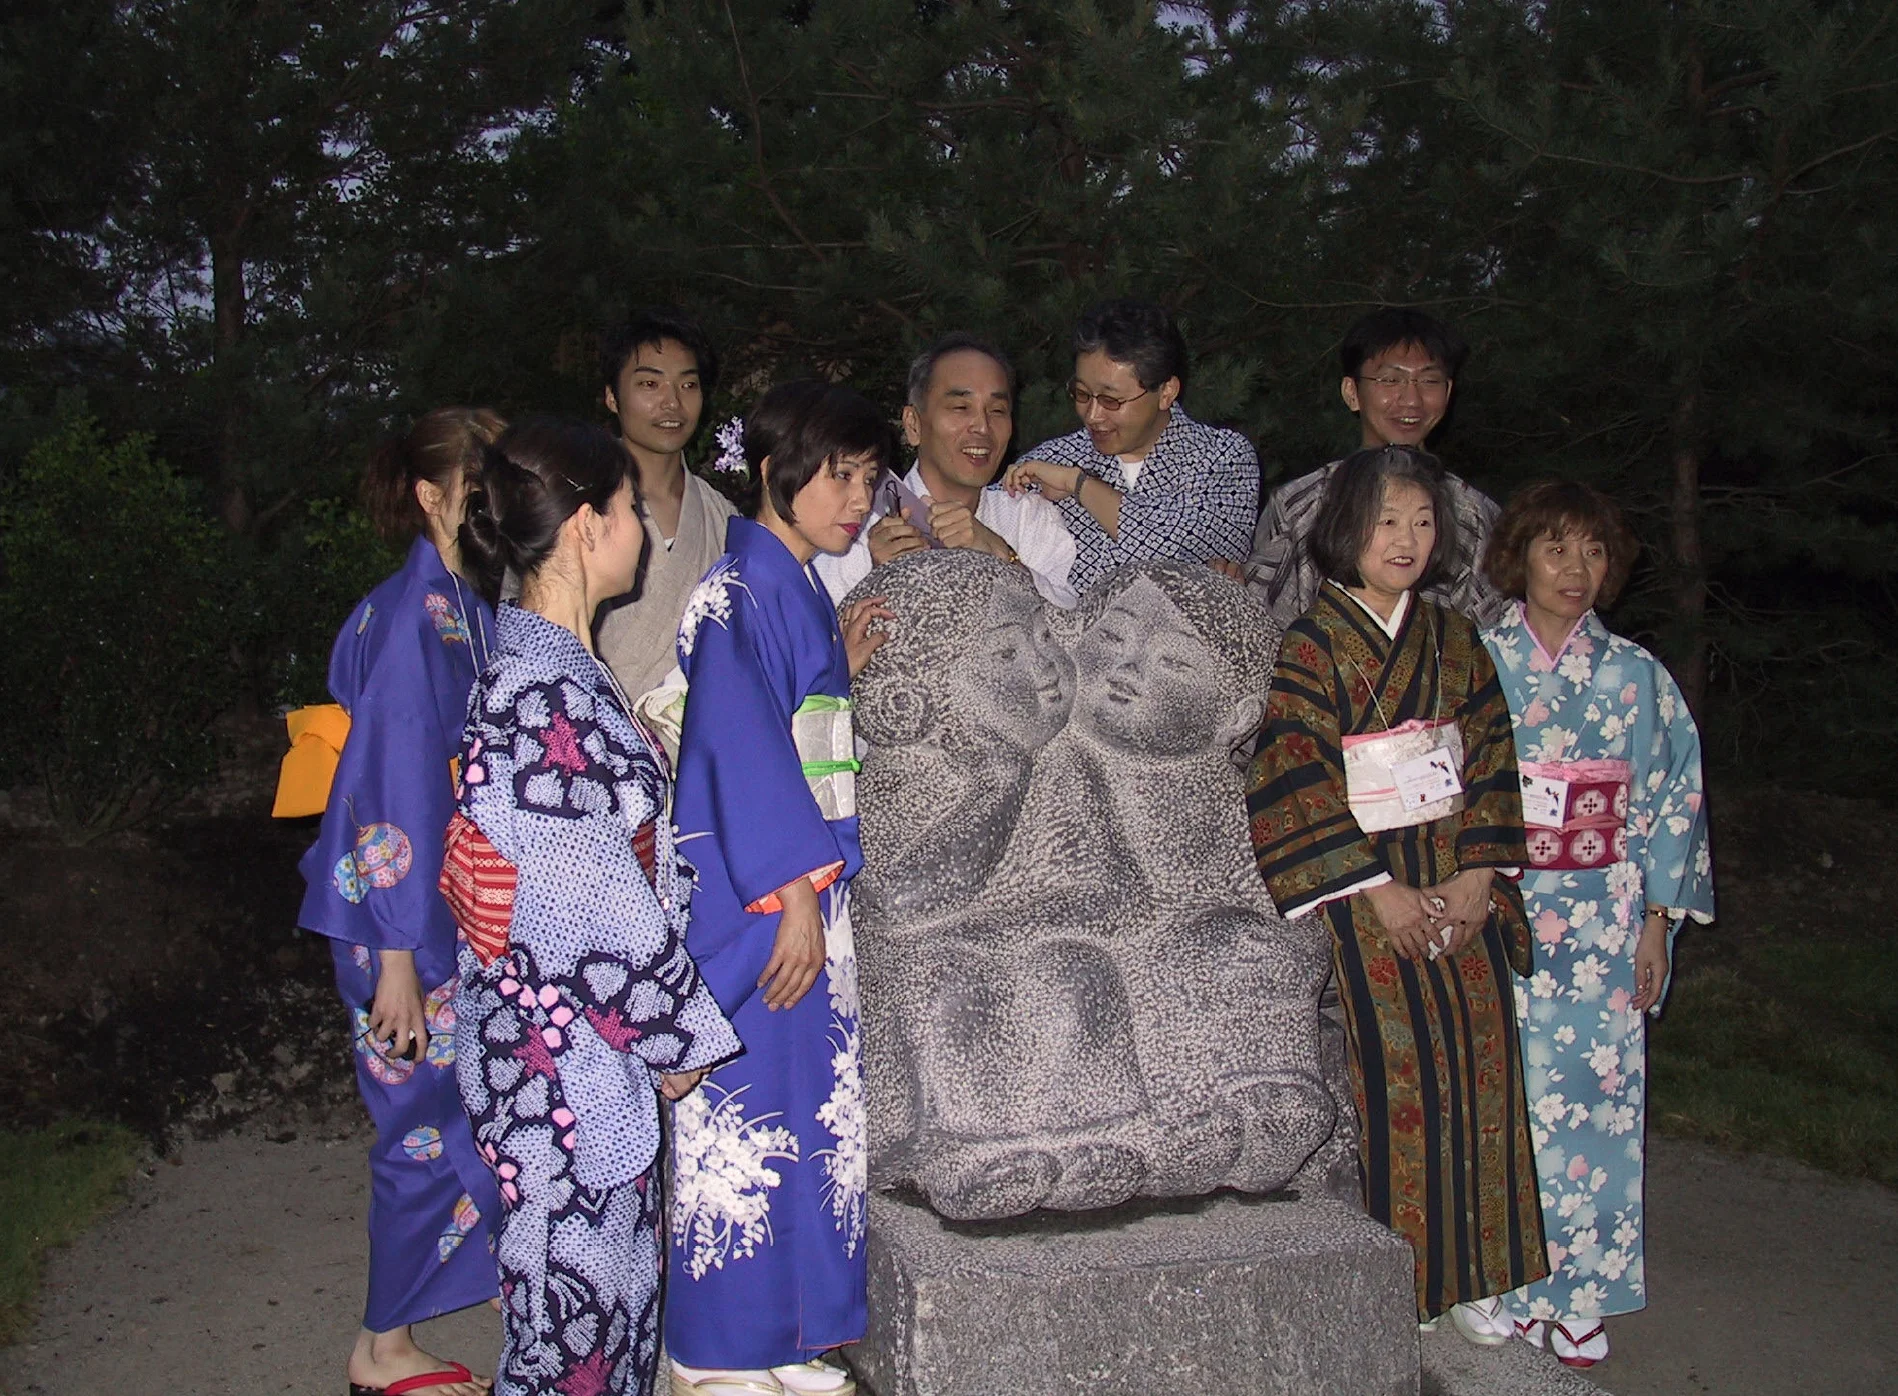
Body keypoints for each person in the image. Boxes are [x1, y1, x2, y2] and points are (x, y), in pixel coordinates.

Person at [445, 417, 743, 1396]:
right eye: (629, 508)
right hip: (558, 1073)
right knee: (566, 1342)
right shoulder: (539, 692)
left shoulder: (562, 670)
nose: (647, 530)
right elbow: (592, 901)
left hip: (579, 1056)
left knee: (608, 1327)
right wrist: (678, 1039)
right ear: (583, 524)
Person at [1246, 444, 1547, 1342]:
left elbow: (1492, 756)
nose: (1407, 539)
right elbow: (1293, 772)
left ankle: (1484, 1276)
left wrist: (1479, 875)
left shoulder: (1457, 640)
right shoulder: (1310, 644)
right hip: (1371, 891)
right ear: (1346, 529)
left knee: (1485, 1072)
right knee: (1395, 1083)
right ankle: (1406, 1276)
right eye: (1386, 521)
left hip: (1459, 878)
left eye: (1422, 521)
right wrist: (1378, 893)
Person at [665, 381, 896, 1396]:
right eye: (837, 476)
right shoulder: (736, 590)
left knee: (810, 1105)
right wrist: (793, 894)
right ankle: (711, 1347)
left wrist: (831, 663)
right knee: (744, 1108)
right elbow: (735, 747)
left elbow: (790, 716)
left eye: (868, 477)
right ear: (772, 473)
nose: (856, 498)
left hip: (807, 884)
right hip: (764, 896)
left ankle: (788, 1328)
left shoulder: (791, 584)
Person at [1478, 481, 1714, 1368]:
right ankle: (1498, 1278)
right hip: (1500, 906)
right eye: (1556, 548)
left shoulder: (1635, 676)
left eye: (1594, 552)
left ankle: (1581, 1294)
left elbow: (1670, 801)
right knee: (1499, 1094)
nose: (1577, 570)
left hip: (1605, 915)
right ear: (1520, 559)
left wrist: (1657, 921)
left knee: (1596, 1107)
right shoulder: (1477, 660)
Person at [294, 408, 506, 1396]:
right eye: (479, 475)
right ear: (432, 495)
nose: (497, 489)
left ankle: (423, 1313)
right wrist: (390, 959)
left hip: (442, 910)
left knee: (463, 1116)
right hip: (400, 924)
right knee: (421, 1126)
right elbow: (380, 787)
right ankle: (380, 1348)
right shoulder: (411, 614)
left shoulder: (464, 603)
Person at [1240, 307, 1506, 627]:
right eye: (1390, 379)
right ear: (1352, 392)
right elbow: (1261, 623)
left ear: (1448, 392)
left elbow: (1496, 640)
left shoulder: (1474, 513)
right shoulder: (1300, 504)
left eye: (1429, 380)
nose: (1411, 399)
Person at [1003, 298, 1257, 594]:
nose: (1093, 415)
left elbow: (1179, 546)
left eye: (1111, 400)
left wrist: (1078, 484)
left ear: (1166, 392)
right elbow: (985, 522)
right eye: (1082, 394)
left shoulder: (1224, 458)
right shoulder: (1054, 457)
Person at [813, 333, 1078, 608]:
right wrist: (873, 573)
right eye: (961, 407)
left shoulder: (1027, 519)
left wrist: (1000, 554)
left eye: (997, 410)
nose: (982, 427)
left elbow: (1071, 628)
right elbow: (811, 634)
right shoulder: (855, 523)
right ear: (914, 424)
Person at [595, 308, 739, 698]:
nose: (672, 403)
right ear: (612, 396)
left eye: (688, 386)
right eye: (649, 385)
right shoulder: (577, 503)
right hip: (597, 734)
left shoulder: (722, 517)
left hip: (698, 738)